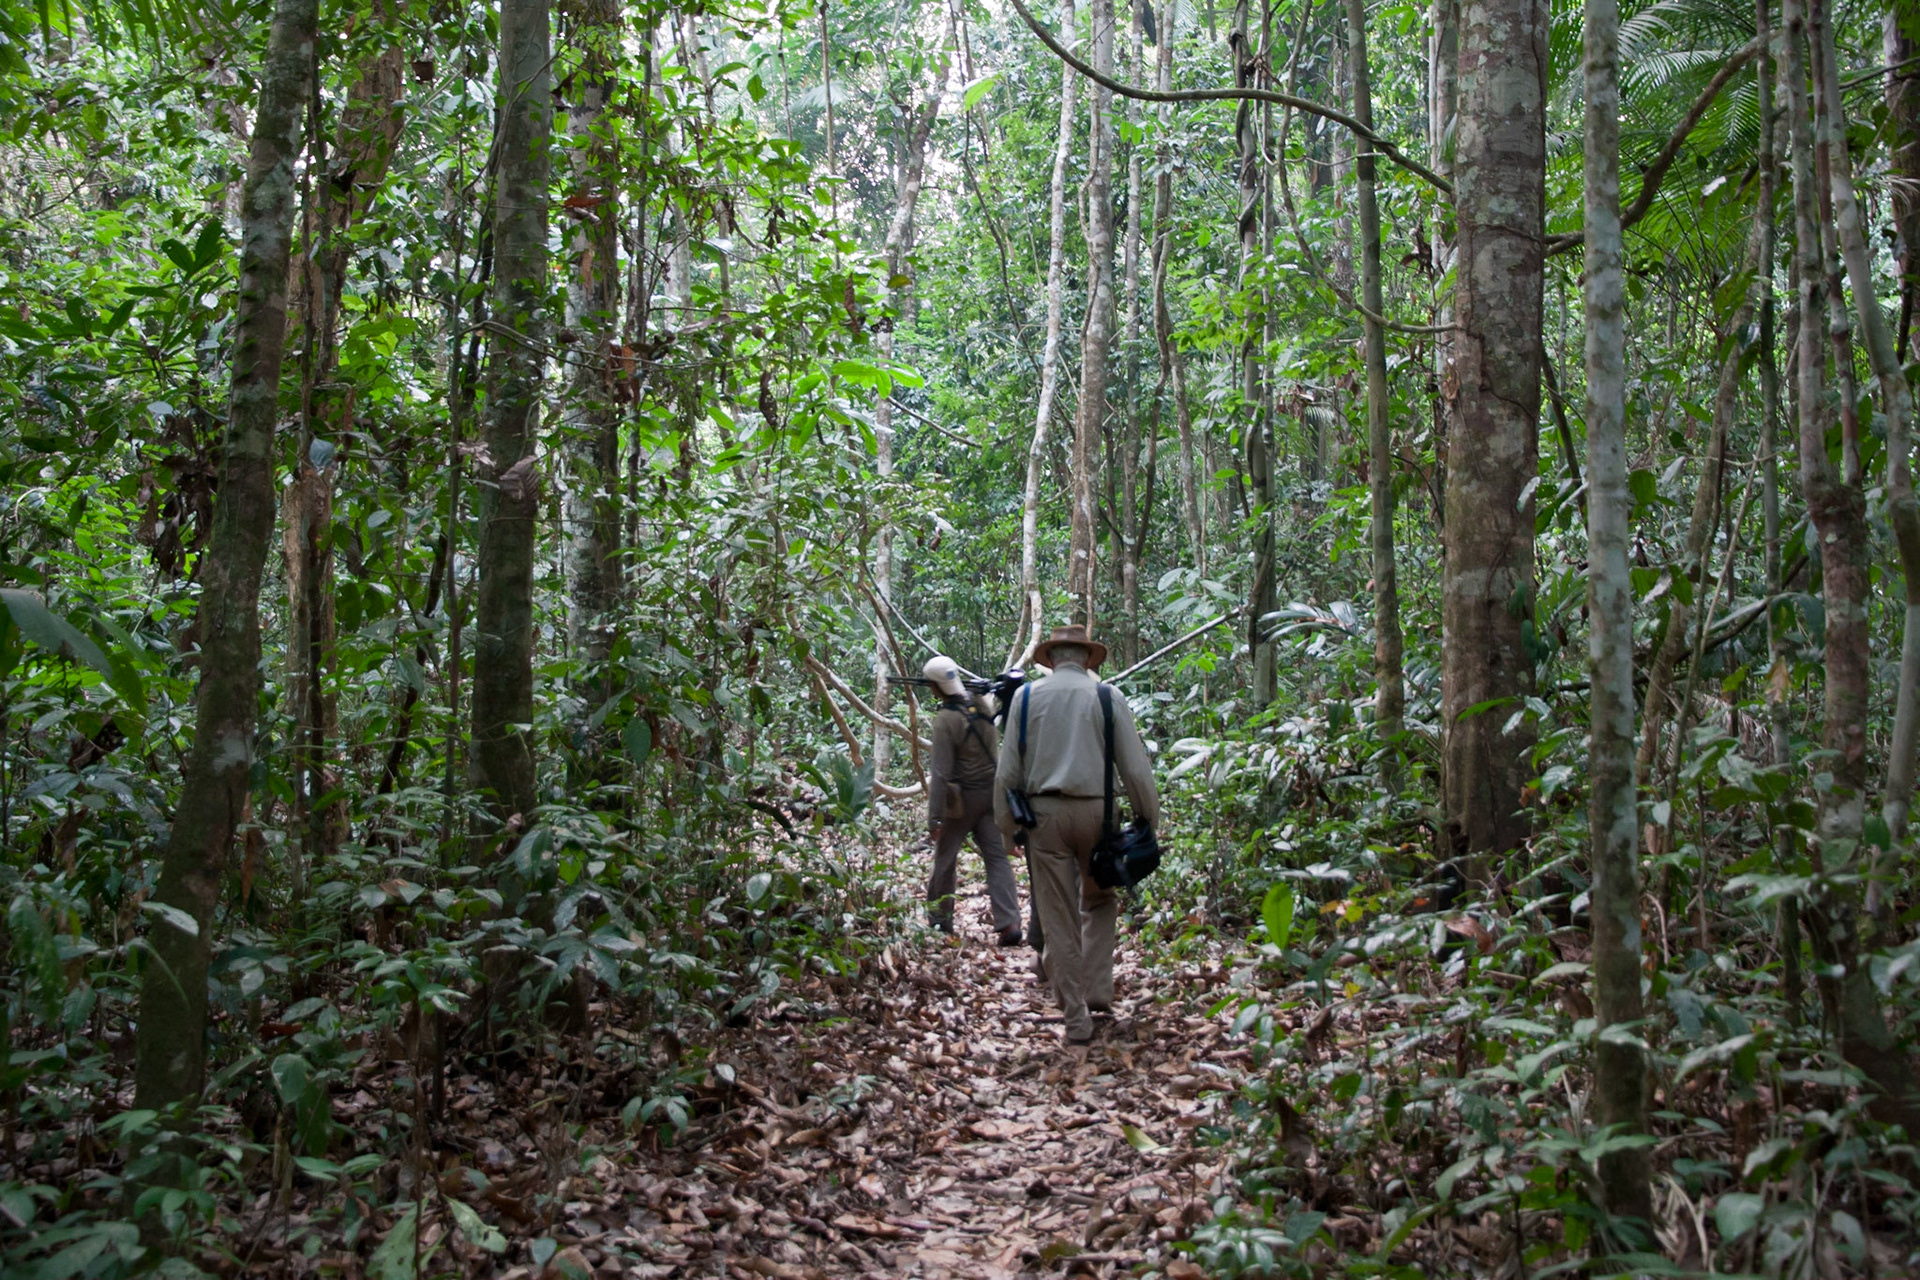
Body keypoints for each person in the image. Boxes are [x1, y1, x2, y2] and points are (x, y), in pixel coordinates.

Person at [994, 625, 1159, 1044]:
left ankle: (1075, 1018)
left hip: (1044, 817)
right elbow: (1135, 769)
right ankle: (1097, 989)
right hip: (1098, 813)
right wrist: (1147, 819)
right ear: (1087, 660)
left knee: (1058, 917)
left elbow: (1008, 772)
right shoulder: (1107, 696)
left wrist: (1006, 830)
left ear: (1051, 660)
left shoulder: (1027, 697)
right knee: (1100, 898)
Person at [924, 654, 1024, 945]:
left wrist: (935, 818)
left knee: (945, 858)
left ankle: (940, 921)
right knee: (996, 857)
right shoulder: (982, 704)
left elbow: (941, 772)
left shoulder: (945, 719)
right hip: (991, 795)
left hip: (961, 802)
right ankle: (1010, 922)